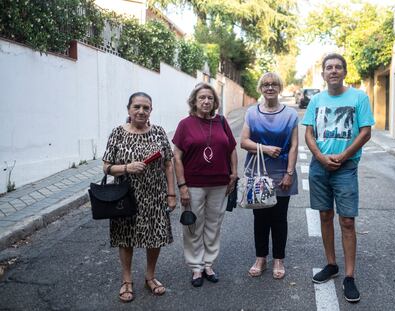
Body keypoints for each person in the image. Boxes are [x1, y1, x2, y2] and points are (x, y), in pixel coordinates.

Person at [302, 53, 375, 303]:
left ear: (344, 72)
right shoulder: (316, 100)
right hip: (319, 166)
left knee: (346, 221)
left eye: (338, 67)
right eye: (329, 68)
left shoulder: (359, 97)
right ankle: (331, 265)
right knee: (324, 215)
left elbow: (365, 132)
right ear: (323, 74)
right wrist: (321, 157)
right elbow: (309, 133)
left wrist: (343, 156)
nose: (333, 71)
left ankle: (350, 276)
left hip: (345, 168)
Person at [102, 92, 176, 302]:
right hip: (126, 196)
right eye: (137, 107)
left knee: (155, 236)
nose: (141, 111)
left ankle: (150, 277)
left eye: (146, 108)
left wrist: (171, 194)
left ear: (151, 111)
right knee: (126, 238)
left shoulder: (159, 132)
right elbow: (107, 167)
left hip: (155, 195)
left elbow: (168, 164)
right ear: (129, 109)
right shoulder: (118, 133)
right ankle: (127, 281)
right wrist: (127, 167)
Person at [172, 82, 238, 287]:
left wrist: (234, 174)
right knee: (193, 226)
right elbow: (177, 157)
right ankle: (196, 268)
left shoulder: (221, 122)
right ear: (194, 101)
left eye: (210, 98)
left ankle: (208, 264)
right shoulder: (185, 124)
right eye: (202, 97)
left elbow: (232, 149)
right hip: (193, 184)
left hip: (220, 184)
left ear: (215, 101)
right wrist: (182, 186)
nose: (206, 101)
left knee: (213, 225)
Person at [240, 72, 299, 280]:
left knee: (279, 218)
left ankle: (279, 260)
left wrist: (289, 173)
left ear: (280, 87)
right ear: (261, 88)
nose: (270, 87)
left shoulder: (290, 114)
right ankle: (260, 258)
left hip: (283, 172)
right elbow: (244, 142)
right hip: (258, 173)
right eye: (266, 84)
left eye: (274, 84)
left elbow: (293, 146)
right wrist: (265, 149)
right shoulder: (251, 113)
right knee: (260, 218)